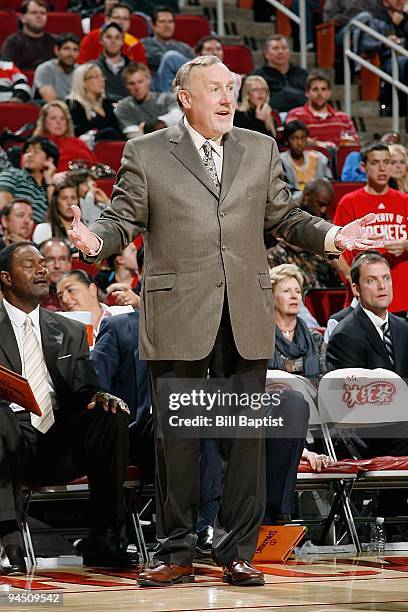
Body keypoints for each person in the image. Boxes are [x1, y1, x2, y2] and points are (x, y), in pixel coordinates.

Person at [67, 55, 382, 588]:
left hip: (244, 313)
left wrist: (334, 237)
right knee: (179, 440)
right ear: (185, 98)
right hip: (178, 314)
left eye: (230, 88)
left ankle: (238, 549)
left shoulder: (258, 148)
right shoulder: (146, 152)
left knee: (243, 439)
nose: (225, 97)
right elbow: (122, 219)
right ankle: (177, 550)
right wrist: (95, 241)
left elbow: (284, 217)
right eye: (214, 89)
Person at [0, 241, 130, 573]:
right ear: (6, 278)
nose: (41, 269)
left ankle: (105, 536)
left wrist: (100, 395)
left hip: (55, 441)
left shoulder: (69, 329)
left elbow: (84, 388)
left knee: (109, 416)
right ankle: (7, 539)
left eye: (43, 264)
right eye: (29, 265)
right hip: (7, 442)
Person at [334, 141, 408, 316]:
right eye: (375, 163)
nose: (382, 168)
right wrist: (349, 278)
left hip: (403, 298)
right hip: (365, 300)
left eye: (386, 162)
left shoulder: (404, 201)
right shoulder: (349, 202)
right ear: (363, 166)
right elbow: (334, 248)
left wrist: (406, 245)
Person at [91, 310, 153, 475]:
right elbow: (96, 386)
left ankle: (212, 500)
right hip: (137, 430)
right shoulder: (119, 326)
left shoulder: (199, 327)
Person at [286, 72, 360, 149]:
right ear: (307, 93)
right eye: (315, 89)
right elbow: (291, 138)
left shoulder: (343, 118)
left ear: (329, 93)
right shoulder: (295, 114)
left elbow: (355, 142)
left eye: (323, 89)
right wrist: (317, 144)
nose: (320, 93)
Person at [115, 62, 181, 139]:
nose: (137, 87)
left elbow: (179, 117)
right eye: (131, 83)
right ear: (126, 85)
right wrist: (164, 124)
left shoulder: (166, 98)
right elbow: (133, 136)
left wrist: (149, 126)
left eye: (140, 82)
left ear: (149, 79)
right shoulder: (123, 107)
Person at [0, 136, 58, 224]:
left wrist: (49, 181)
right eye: (27, 152)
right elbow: (3, 207)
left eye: (36, 152)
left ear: (49, 160)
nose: (29, 155)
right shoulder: (12, 174)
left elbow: (57, 219)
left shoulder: (49, 190)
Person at [32, 100, 98, 172]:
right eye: (53, 118)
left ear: (67, 122)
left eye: (62, 118)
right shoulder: (37, 145)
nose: (58, 122)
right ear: (44, 121)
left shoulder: (78, 142)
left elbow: (96, 166)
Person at [141, 6, 195, 92]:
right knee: (170, 58)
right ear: (153, 26)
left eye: (170, 22)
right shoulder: (145, 44)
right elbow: (158, 60)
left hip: (183, 86)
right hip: (157, 89)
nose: (167, 26)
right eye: (162, 22)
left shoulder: (185, 47)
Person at [250, 35, 308, 113]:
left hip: (305, 115)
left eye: (284, 48)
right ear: (266, 54)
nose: (280, 52)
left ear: (289, 52)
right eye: (275, 48)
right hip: (272, 117)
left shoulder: (302, 73)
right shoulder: (257, 76)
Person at [78, 1, 147, 65]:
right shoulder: (92, 38)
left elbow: (141, 71)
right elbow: (81, 65)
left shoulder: (134, 44)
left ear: (129, 23)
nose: (121, 22)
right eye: (117, 18)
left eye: (125, 19)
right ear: (107, 19)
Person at [57, 269, 117, 341]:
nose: (64, 299)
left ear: (92, 289)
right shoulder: (60, 332)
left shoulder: (123, 314)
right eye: (60, 297)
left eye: (71, 290)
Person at [67, 63, 121, 140]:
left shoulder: (106, 103)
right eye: (96, 77)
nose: (101, 80)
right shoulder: (73, 104)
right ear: (83, 82)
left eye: (102, 76)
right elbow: (79, 133)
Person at [280, 121, 332, 197]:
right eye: (294, 138)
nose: (299, 143)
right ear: (286, 141)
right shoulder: (281, 161)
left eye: (303, 138)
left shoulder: (319, 158)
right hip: (292, 202)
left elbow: (329, 183)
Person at [1, 0, 56, 71]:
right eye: (34, 13)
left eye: (43, 13)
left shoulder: (55, 41)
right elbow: (7, 70)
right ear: (23, 18)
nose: (39, 16)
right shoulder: (13, 43)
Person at [233, 75, 283, 142]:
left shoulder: (271, 115)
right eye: (255, 89)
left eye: (263, 89)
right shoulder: (238, 116)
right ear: (247, 94)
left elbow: (271, 144)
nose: (260, 92)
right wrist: (260, 121)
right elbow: (250, 142)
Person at [33, 33, 80, 102]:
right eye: (66, 49)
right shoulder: (45, 69)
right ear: (57, 50)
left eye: (75, 50)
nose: (71, 54)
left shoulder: (81, 71)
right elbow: (52, 102)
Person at [32, 182, 79, 248]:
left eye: (73, 198)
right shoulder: (43, 229)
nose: (69, 202)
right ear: (56, 202)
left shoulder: (86, 230)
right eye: (64, 198)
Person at [195, 36, 241, 102]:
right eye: (209, 49)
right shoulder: (193, 77)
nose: (215, 52)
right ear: (199, 54)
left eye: (218, 49)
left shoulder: (235, 77)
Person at [95, 22, 130, 102]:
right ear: (101, 40)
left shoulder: (133, 68)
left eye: (117, 37)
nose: (113, 41)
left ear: (122, 41)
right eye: (108, 37)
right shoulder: (92, 68)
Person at [39, 238, 72, 311]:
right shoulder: (31, 295)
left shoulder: (84, 289)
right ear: (40, 263)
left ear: (70, 262)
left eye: (62, 259)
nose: (57, 266)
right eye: (50, 260)